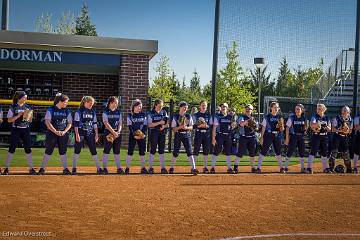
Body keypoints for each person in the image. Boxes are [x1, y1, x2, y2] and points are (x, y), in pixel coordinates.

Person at [38, 93, 72, 175]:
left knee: (63, 151)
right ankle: (42, 168)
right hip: (52, 133)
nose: (66, 104)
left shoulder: (67, 110)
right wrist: (55, 131)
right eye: (65, 102)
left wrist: (64, 131)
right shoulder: (51, 109)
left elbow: (70, 123)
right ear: (60, 101)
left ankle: (65, 169)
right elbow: (47, 122)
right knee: (48, 150)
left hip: (63, 134)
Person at [3, 91, 36, 175]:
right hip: (16, 129)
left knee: (28, 148)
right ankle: (6, 168)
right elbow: (9, 120)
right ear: (19, 98)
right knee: (12, 148)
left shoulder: (27, 106)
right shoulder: (13, 107)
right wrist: (19, 115)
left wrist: (28, 115)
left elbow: (30, 120)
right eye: (24, 97)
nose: (26, 99)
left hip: (25, 129)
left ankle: (31, 168)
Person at [72, 96, 101, 175]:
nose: (91, 104)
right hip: (80, 132)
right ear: (85, 102)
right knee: (77, 149)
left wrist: (96, 134)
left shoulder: (92, 111)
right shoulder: (79, 111)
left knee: (93, 149)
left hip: (90, 132)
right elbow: (76, 124)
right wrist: (77, 134)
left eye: (92, 103)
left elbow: (95, 124)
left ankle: (99, 168)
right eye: (90, 102)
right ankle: (74, 167)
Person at [170, 101, 198, 175]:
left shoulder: (188, 116)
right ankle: (172, 167)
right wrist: (180, 127)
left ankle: (194, 168)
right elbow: (173, 129)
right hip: (178, 135)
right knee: (176, 151)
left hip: (186, 134)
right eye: (184, 107)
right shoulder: (175, 116)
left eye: (186, 107)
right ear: (180, 108)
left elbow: (192, 126)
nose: (185, 108)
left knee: (189, 151)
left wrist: (186, 127)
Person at [257, 102, 285, 174]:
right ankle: (258, 167)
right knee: (264, 151)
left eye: (277, 107)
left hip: (277, 135)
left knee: (278, 152)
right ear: (271, 108)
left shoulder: (279, 117)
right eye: (274, 107)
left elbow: (282, 129)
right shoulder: (267, 116)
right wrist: (261, 137)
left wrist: (281, 127)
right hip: (268, 135)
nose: (276, 109)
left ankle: (281, 167)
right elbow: (263, 127)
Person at [125, 99, 148, 174]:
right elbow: (130, 127)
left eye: (140, 106)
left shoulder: (144, 115)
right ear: (134, 106)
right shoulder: (130, 116)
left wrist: (143, 134)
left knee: (142, 151)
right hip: (133, 136)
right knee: (130, 151)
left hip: (142, 136)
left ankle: (143, 168)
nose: (140, 108)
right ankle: (127, 168)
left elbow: (145, 125)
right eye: (138, 106)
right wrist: (134, 135)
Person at [307, 104, 331, 174]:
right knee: (313, 151)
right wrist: (318, 124)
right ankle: (309, 168)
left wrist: (325, 126)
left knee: (324, 152)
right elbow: (312, 124)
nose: (319, 110)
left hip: (324, 136)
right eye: (318, 109)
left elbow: (330, 129)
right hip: (316, 136)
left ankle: (325, 168)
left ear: (324, 109)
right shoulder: (314, 116)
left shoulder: (326, 117)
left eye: (320, 109)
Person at [211, 103, 234, 174]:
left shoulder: (230, 117)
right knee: (217, 151)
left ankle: (229, 168)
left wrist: (234, 125)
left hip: (228, 136)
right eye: (222, 106)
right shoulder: (217, 116)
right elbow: (214, 128)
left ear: (227, 108)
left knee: (228, 152)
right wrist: (213, 138)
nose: (223, 108)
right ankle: (212, 167)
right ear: (220, 108)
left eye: (225, 107)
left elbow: (232, 126)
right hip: (220, 135)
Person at [102, 96, 123, 174]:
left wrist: (118, 131)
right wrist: (113, 132)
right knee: (107, 150)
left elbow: (120, 123)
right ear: (111, 103)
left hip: (117, 133)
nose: (116, 105)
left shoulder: (118, 112)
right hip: (108, 133)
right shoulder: (105, 111)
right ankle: (104, 168)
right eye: (115, 103)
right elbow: (106, 123)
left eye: (117, 103)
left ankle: (119, 168)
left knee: (117, 151)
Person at [328, 106, 353, 173]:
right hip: (337, 136)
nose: (345, 111)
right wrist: (341, 129)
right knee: (334, 152)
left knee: (346, 153)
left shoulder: (350, 119)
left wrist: (346, 131)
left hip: (344, 137)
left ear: (349, 112)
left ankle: (349, 168)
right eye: (344, 110)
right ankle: (331, 168)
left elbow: (350, 131)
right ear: (341, 111)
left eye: (346, 110)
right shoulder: (337, 118)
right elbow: (332, 129)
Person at [284, 104, 307, 173]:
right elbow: (287, 128)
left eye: (298, 109)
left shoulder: (304, 117)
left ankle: (302, 168)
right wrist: (287, 138)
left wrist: (305, 129)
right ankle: (285, 167)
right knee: (290, 151)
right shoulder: (292, 117)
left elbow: (306, 127)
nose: (297, 110)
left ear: (302, 110)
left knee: (302, 152)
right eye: (296, 109)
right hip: (294, 136)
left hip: (301, 137)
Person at [147, 99, 169, 174]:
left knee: (161, 150)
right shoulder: (150, 113)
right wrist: (159, 122)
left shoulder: (164, 112)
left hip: (162, 132)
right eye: (160, 106)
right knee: (153, 149)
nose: (161, 107)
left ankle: (163, 167)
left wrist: (164, 126)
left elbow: (167, 122)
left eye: (162, 106)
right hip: (154, 132)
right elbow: (149, 125)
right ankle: (150, 167)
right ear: (155, 105)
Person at [234, 104, 257, 173]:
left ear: (252, 110)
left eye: (249, 109)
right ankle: (235, 167)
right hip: (243, 137)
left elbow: (256, 127)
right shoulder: (242, 117)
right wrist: (248, 121)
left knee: (252, 153)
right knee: (240, 153)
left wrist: (255, 125)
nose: (248, 110)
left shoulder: (253, 118)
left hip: (252, 137)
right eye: (246, 109)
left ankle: (253, 168)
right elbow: (241, 124)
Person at [192, 100, 212, 173]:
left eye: (205, 105)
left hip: (206, 134)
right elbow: (193, 126)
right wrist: (199, 125)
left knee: (206, 151)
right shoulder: (196, 115)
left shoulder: (208, 115)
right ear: (200, 106)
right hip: (198, 133)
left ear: (206, 107)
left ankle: (205, 167)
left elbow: (211, 126)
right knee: (196, 151)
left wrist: (206, 125)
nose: (204, 106)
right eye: (202, 105)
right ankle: (193, 167)